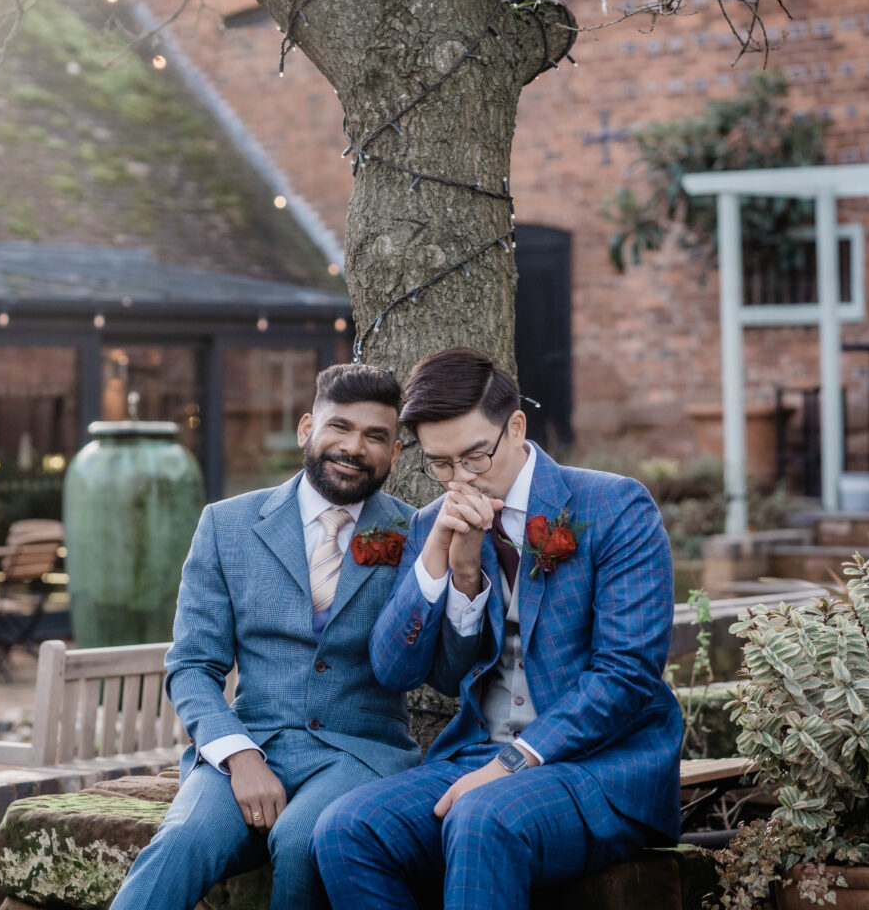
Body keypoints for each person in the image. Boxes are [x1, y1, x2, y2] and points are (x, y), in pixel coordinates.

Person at [312, 347, 680, 910]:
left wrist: (515, 761)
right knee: (345, 828)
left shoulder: (614, 506)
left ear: (515, 428)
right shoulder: (434, 523)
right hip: (478, 757)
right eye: (439, 464)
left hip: (602, 769)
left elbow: (626, 675)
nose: (459, 479)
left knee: (484, 818)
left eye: (474, 457)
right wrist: (447, 564)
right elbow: (396, 669)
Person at [109, 362, 422, 910]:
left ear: (394, 455)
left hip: (362, 752)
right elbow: (191, 667)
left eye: (375, 436)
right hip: (251, 745)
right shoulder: (226, 525)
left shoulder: (415, 531)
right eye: (339, 427)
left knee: (301, 842)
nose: (354, 447)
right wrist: (240, 757)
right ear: (307, 429)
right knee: (180, 842)